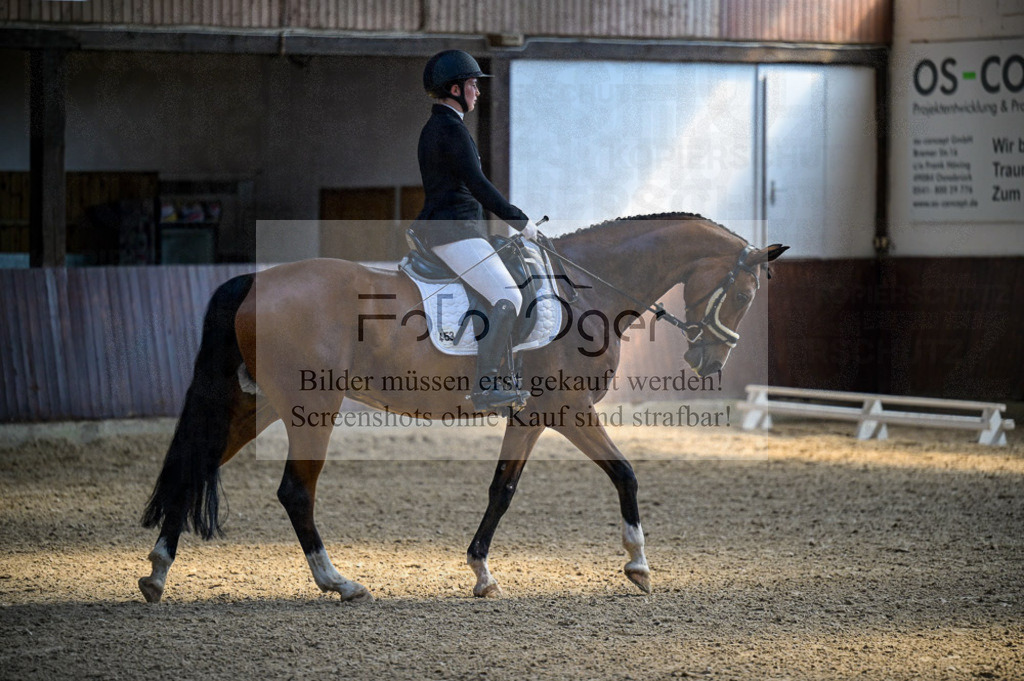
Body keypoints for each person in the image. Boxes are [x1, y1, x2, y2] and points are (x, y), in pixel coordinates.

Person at [414, 49, 539, 411]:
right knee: (509, 296)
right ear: (455, 89)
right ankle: (486, 386)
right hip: (455, 232)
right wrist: (519, 220)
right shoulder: (449, 128)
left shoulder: (442, 126)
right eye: (473, 84)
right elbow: (479, 185)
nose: (478, 91)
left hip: (456, 229)